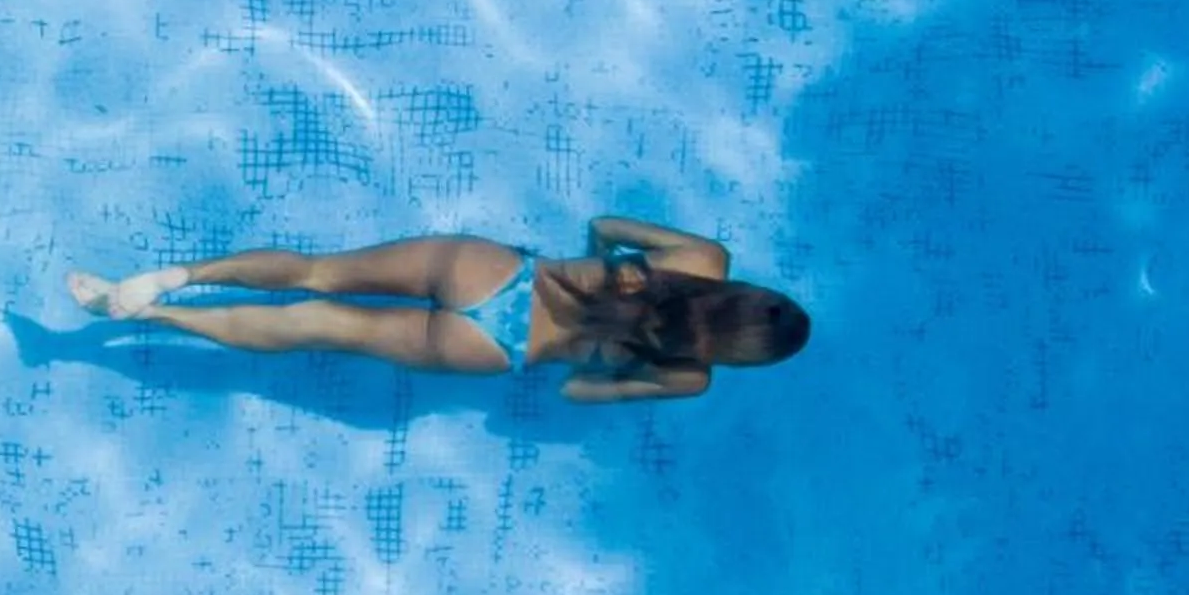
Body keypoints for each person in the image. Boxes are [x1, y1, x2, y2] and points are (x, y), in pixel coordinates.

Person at [66, 214, 809, 403]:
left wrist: (596, 260)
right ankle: (153, 321)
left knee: (320, 273)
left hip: (501, 273)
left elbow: (610, 225)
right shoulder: (690, 378)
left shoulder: (704, 261)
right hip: (495, 349)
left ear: (755, 296)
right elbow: (577, 392)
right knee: (311, 329)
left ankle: (174, 277)